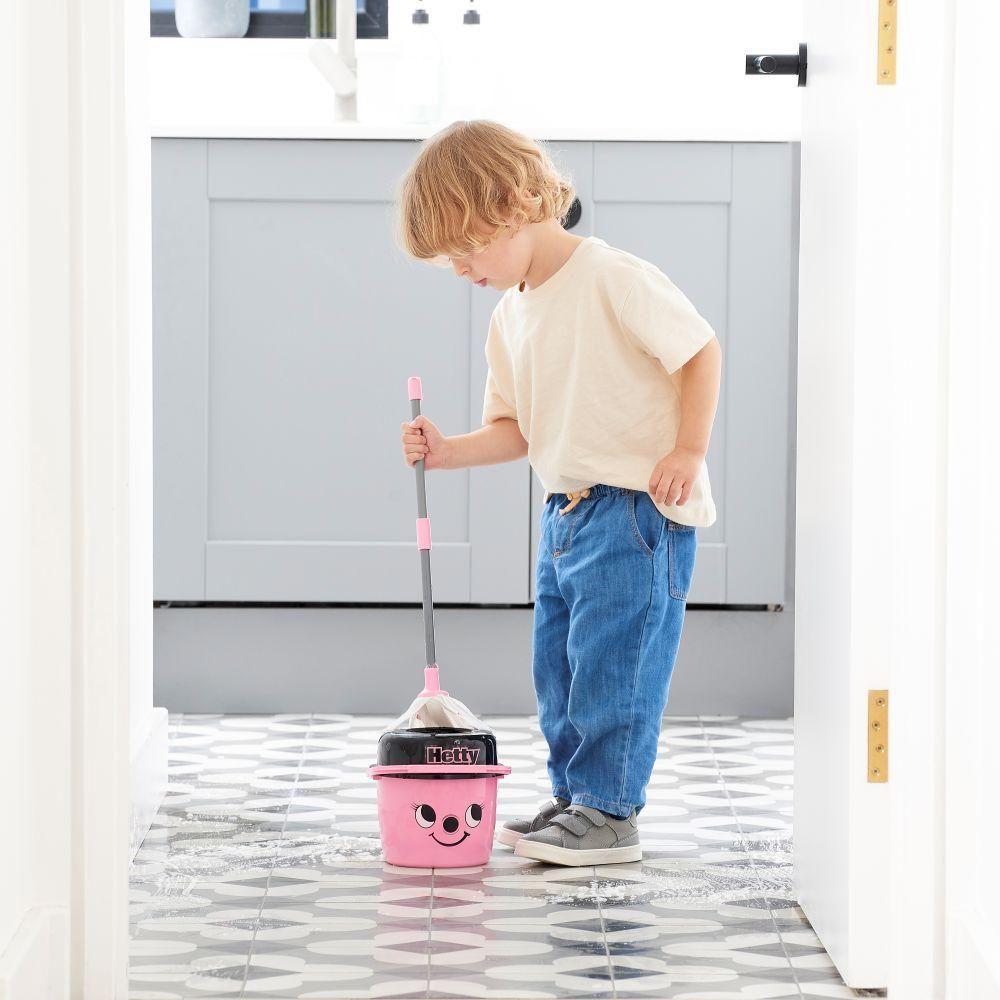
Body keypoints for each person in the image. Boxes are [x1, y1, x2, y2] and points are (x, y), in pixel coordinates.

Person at [395, 120, 721, 867]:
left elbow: (700, 351)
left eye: (467, 248)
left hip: (637, 512)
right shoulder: (511, 315)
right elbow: (515, 430)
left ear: (516, 202)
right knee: (562, 670)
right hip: (567, 516)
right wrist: (448, 453)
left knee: (616, 666)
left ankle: (610, 810)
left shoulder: (611, 277)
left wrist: (689, 449)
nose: (459, 269)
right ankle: (578, 798)